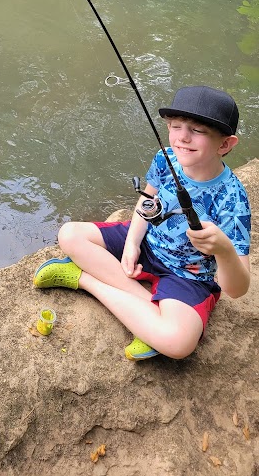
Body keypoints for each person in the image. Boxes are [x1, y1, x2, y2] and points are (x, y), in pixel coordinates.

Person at [33, 85, 251, 361]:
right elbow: (148, 199)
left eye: (198, 130)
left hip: (187, 274)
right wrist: (133, 243)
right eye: (175, 126)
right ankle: (147, 315)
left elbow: (238, 289)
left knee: (179, 343)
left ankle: (85, 280)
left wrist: (224, 249)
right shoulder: (166, 157)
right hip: (148, 243)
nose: (182, 137)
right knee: (69, 234)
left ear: (225, 144)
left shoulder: (233, 198)